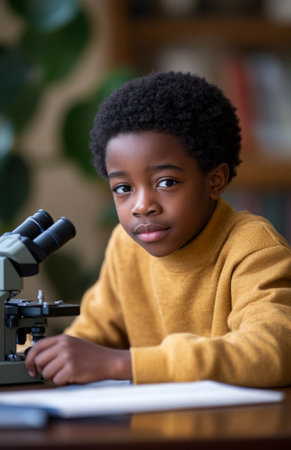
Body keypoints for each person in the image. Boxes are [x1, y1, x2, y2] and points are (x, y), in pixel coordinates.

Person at [25, 71, 291, 387]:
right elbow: (92, 335)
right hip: (153, 430)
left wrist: (123, 363)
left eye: (166, 182)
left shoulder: (252, 246)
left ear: (214, 181)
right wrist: (39, 357)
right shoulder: (125, 247)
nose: (142, 206)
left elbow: (273, 352)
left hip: (234, 431)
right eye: (123, 188)